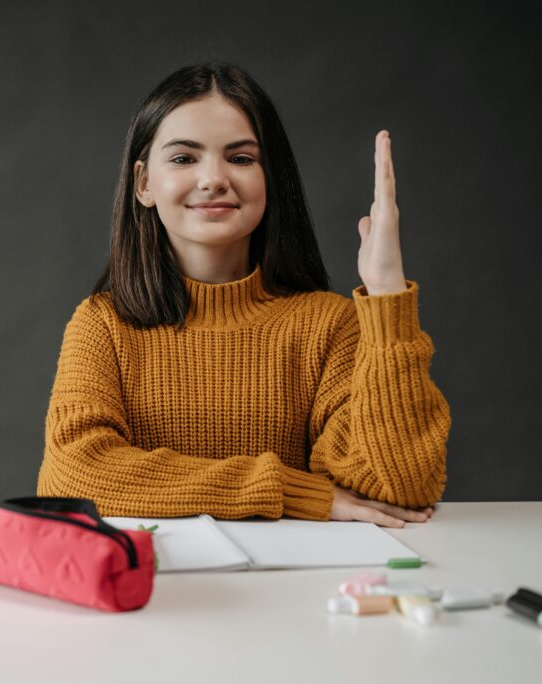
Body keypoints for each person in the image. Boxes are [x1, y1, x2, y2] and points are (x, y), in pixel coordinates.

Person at [36, 61, 450, 528]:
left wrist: (387, 295)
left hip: (295, 594)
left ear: (270, 181)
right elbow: (73, 476)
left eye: (241, 158)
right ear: (144, 184)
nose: (213, 178)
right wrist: (286, 491)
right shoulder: (103, 324)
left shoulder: (329, 325)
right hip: (158, 591)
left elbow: (401, 487)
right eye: (183, 158)